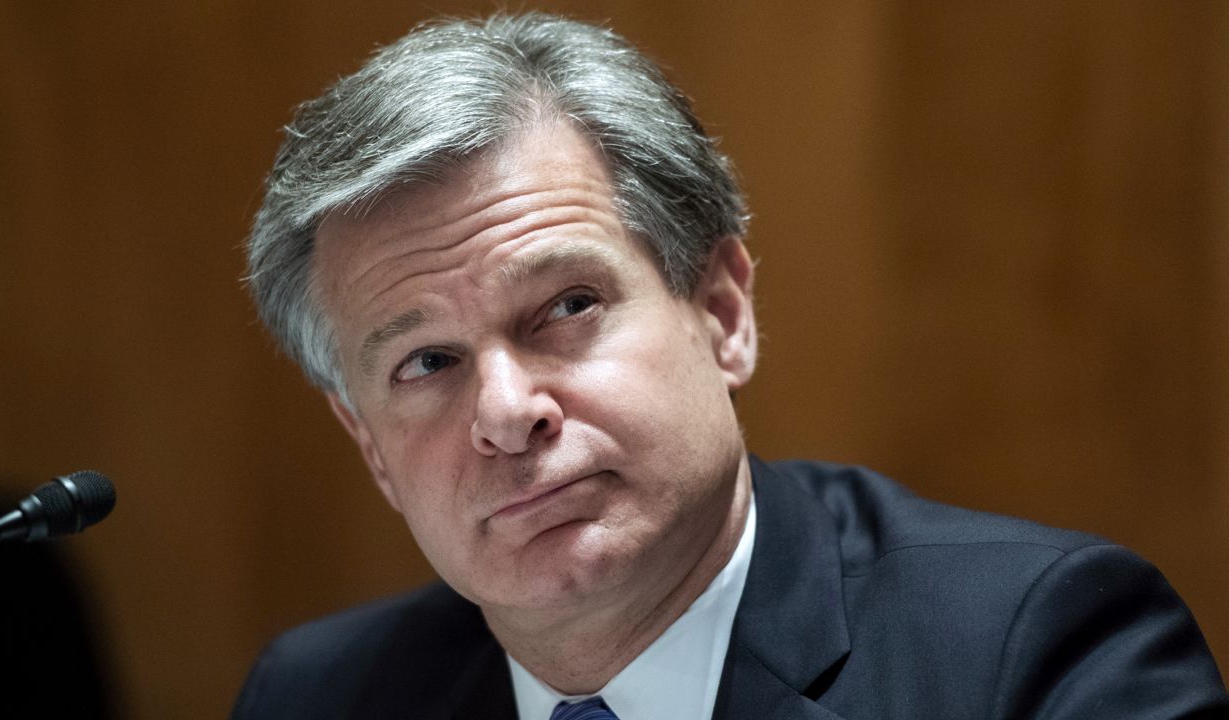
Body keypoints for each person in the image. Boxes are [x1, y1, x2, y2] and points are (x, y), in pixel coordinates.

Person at [232, 12, 1228, 720]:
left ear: (721, 312)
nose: (505, 409)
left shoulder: (1035, 654)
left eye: (566, 307)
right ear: (366, 443)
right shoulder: (318, 694)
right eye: (425, 362)